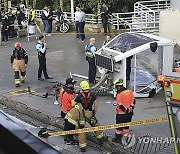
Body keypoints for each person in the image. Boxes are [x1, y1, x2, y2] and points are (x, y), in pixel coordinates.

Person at [68, 81, 108, 152]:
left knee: (81, 129)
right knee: (95, 125)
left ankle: (82, 147)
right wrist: (94, 113)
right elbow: (96, 104)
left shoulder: (79, 96)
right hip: (89, 112)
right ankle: (100, 138)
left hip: (81, 115)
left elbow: (73, 104)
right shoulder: (93, 95)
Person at [112, 79, 135, 143]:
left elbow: (120, 105)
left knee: (119, 128)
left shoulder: (119, 95)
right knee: (126, 127)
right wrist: (131, 108)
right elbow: (133, 101)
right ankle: (125, 139)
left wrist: (126, 110)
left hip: (121, 115)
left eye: (116, 87)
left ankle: (118, 139)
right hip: (129, 114)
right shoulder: (129, 92)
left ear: (118, 86)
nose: (115, 89)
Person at [60, 78, 79, 145]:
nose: (74, 85)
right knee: (71, 126)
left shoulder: (63, 89)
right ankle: (70, 139)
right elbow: (74, 102)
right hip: (68, 111)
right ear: (69, 84)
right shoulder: (69, 93)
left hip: (63, 110)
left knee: (66, 126)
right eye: (72, 84)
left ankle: (66, 137)